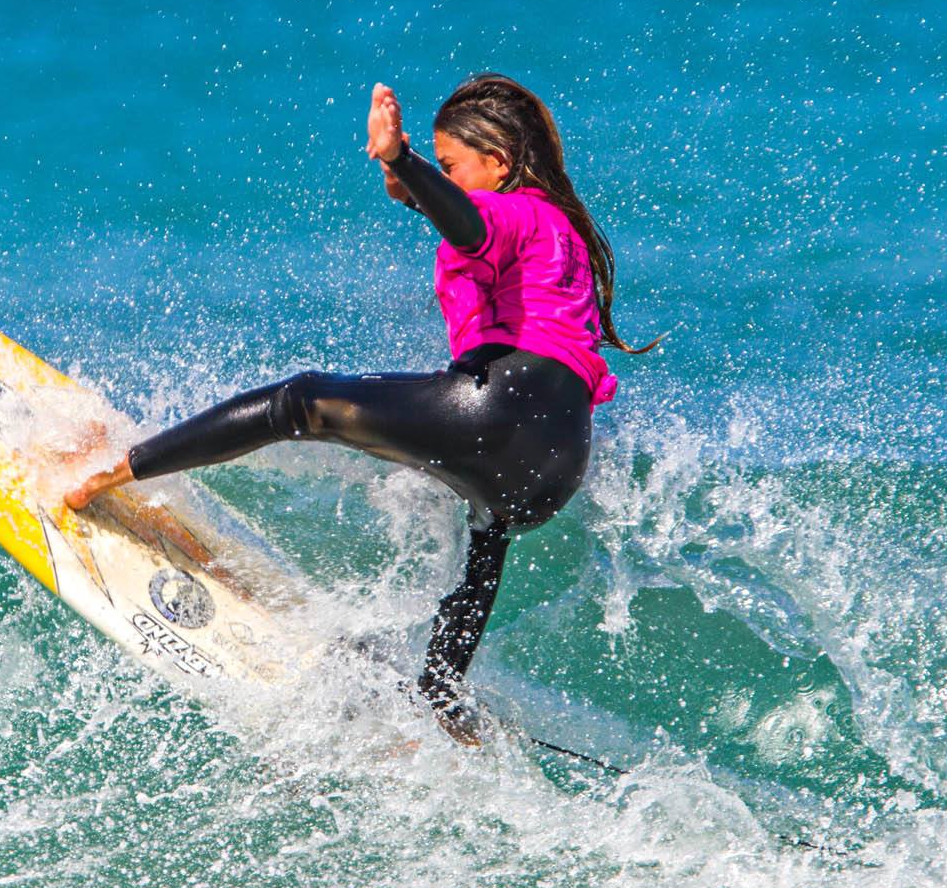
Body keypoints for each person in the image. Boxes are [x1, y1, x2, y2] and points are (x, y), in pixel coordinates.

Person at [66, 74, 655, 742]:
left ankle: (115, 466)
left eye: (452, 165)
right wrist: (413, 186)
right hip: (556, 461)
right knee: (486, 527)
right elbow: (466, 222)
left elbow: (472, 221)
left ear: (500, 163)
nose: (444, 176)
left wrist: (401, 159)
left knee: (303, 401)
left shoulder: (515, 212)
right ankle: (443, 695)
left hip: (503, 405)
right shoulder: (560, 235)